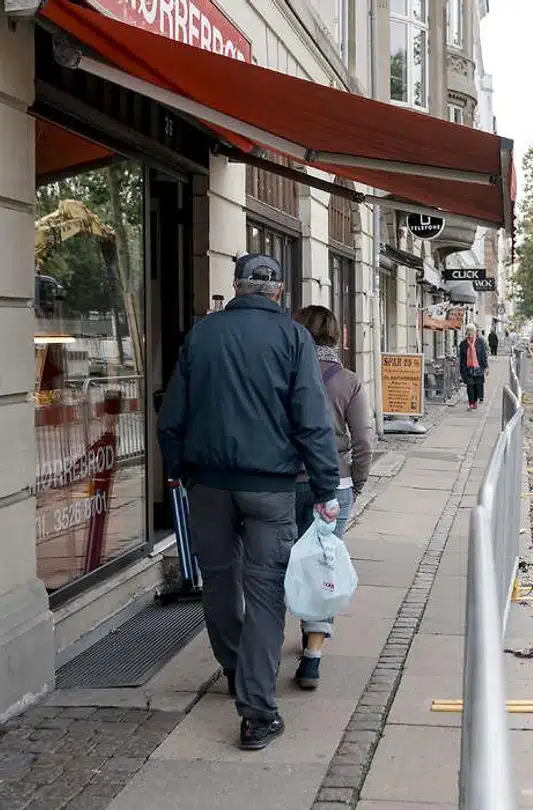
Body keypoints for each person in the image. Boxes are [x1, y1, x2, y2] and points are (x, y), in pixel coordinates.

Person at [157, 253, 341, 752]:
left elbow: (171, 412)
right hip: (270, 488)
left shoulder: (202, 334)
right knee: (265, 595)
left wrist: (177, 472)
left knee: (219, 580)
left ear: (236, 287)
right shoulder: (293, 338)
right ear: (279, 291)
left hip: (209, 486)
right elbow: (310, 417)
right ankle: (257, 714)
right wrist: (326, 487)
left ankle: (236, 668)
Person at [289, 305, 373, 690]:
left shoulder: (286, 373)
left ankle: (265, 643)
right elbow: (364, 441)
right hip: (334, 484)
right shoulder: (349, 381)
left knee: (280, 562)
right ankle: (312, 655)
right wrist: (356, 484)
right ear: (336, 335)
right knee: (324, 565)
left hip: (286, 483)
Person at [459, 323, 489, 409]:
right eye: (468, 330)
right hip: (468, 369)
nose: (470, 333)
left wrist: (486, 367)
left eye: (471, 330)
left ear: (475, 332)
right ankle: (471, 402)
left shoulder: (480, 342)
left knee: (476, 386)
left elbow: (483, 356)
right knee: (470, 385)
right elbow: (462, 359)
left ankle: (475, 401)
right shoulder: (463, 344)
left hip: (478, 368)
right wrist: (461, 372)